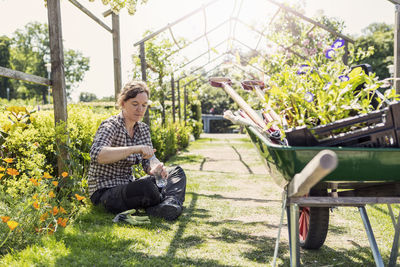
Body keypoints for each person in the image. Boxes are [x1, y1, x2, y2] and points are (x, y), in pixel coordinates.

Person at [88, 81, 186, 221]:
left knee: (176, 172)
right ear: (123, 103)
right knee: (146, 187)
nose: (140, 109)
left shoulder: (143, 129)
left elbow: (148, 161)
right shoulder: (111, 125)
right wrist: (134, 149)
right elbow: (98, 155)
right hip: (104, 192)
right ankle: (163, 203)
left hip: (128, 185)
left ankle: (169, 204)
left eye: (144, 105)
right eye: (135, 104)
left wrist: (156, 169)